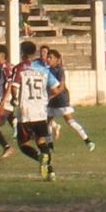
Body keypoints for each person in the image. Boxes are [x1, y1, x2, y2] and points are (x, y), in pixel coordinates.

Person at [10, 41, 63, 181]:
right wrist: (46, 98)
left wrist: (14, 98)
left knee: (23, 145)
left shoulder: (20, 68)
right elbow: (56, 88)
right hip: (41, 111)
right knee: (41, 141)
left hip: (26, 112)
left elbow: (14, 87)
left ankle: (39, 157)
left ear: (21, 52)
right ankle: (50, 173)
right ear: (34, 53)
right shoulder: (43, 70)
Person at [45, 49, 96, 151]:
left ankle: (88, 141)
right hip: (51, 99)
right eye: (48, 57)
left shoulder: (59, 70)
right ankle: (50, 146)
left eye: (51, 57)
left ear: (57, 59)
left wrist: (50, 97)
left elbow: (61, 88)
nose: (48, 59)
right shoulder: (47, 70)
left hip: (61, 99)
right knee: (47, 122)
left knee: (70, 121)